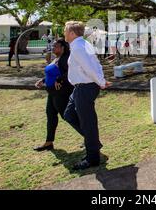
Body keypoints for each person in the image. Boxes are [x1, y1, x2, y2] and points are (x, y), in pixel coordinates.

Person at [63, 21, 112, 170]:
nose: (64, 33)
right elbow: (96, 64)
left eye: (65, 31)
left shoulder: (79, 47)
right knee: (69, 114)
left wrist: (101, 82)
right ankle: (93, 143)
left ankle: (92, 157)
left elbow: (90, 68)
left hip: (85, 87)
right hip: (81, 88)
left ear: (72, 33)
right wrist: (100, 80)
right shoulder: (81, 45)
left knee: (88, 122)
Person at [34, 39, 74, 151]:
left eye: (55, 46)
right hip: (51, 93)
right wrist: (43, 80)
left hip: (60, 93)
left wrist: (60, 80)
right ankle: (49, 142)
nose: (53, 48)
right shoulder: (56, 58)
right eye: (53, 46)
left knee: (68, 116)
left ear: (62, 48)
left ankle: (89, 138)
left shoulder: (66, 59)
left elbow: (70, 72)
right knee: (51, 116)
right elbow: (52, 74)